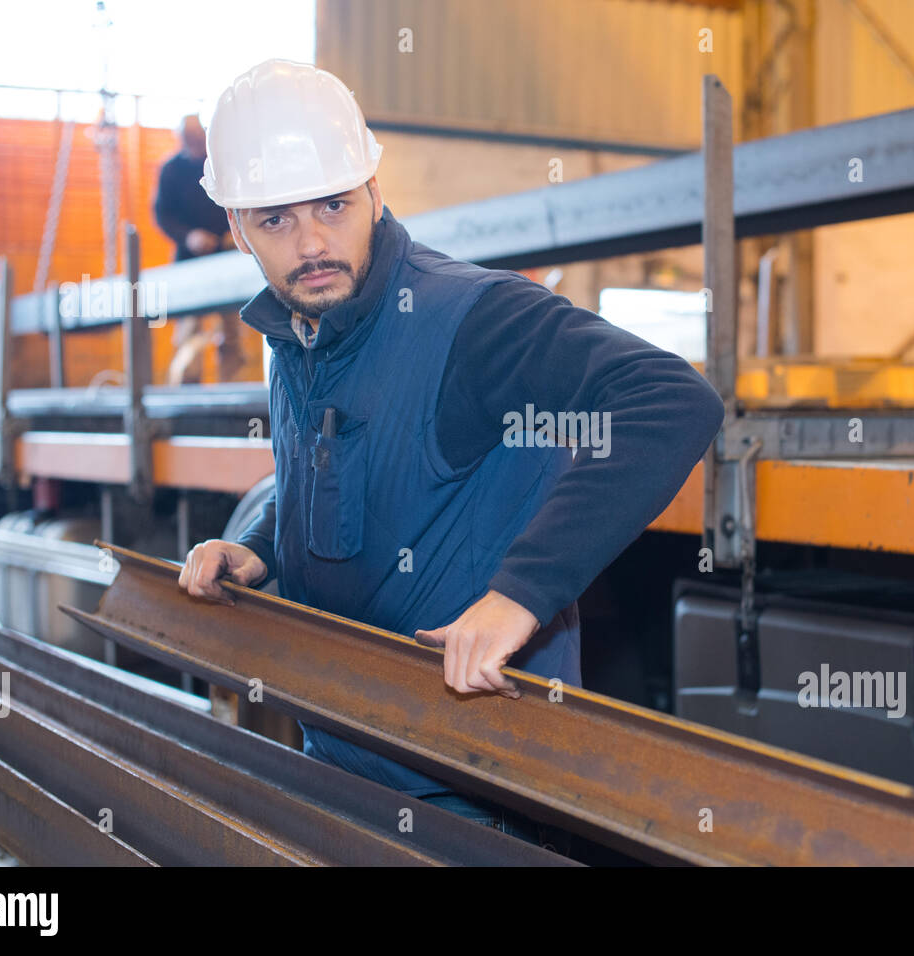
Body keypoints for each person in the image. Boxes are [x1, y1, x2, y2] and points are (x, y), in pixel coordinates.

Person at [176, 60, 724, 850]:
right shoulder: (295, 335)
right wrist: (261, 549)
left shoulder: (471, 318)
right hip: (338, 752)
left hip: (468, 781)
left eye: (333, 204)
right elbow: (330, 482)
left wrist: (522, 594)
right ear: (236, 228)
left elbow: (672, 401)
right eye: (276, 221)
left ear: (372, 186)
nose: (313, 243)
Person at [153, 114, 245, 383]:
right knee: (190, 329)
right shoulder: (171, 170)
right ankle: (187, 387)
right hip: (189, 261)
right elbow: (162, 215)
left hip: (226, 258)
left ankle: (231, 388)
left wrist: (234, 232)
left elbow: (240, 202)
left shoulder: (222, 166)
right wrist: (189, 236)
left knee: (231, 328)